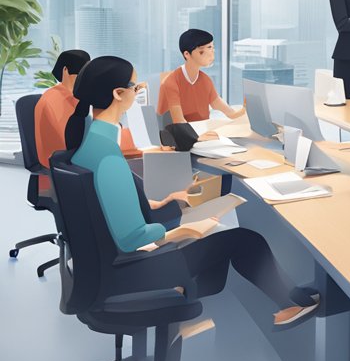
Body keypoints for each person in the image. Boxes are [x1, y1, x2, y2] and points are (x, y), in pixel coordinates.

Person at [67, 56, 320, 327]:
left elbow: (104, 203)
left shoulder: (93, 143)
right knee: (244, 240)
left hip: (106, 263)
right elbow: (131, 238)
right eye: (135, 87)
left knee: (207, 231)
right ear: (118, 94)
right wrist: (186, 231)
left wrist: (160, 202)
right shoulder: (108, 157)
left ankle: (183, 290)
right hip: (128, 269)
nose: (137, 92)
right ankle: (292, 304)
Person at [35, 50, 145, 184]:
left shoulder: (81, 102)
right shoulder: (54, 100)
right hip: (63, 174)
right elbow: (69, 146)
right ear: (65, 70)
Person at [158, 29, 246, 139]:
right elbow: (179, 123)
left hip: (200, 136)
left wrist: (245, 110)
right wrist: (200, 138)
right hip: (177, 142)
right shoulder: (171, 83)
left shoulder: (205, 81)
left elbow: (230, 113)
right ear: (187, 54)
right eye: (203, 50)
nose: (211, 53)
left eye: (212, 47)